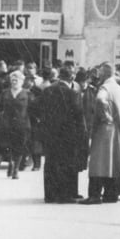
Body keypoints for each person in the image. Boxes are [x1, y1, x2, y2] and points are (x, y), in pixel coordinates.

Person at [81, 64, 120, 204]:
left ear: (103, 74)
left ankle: (95, 195)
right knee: (113, 162)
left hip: (104, 129)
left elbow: (100, 99)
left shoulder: (105, 88)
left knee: (98, 162)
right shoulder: (119, 89)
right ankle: (111, 194)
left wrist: (105, 116)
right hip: (118, 129)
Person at [39, 66, 87, 203]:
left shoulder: (47, 90)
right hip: (68, 134)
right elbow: (79, 114)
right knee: (67, 163)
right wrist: (81, 133)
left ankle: (50, 194)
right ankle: (66, 194)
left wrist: (43, 122)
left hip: (50, 133)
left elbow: (34, 107)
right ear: (71, 77)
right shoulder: (73, 93)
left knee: (51, 163)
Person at [0, 69, 31, 180]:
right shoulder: (5, 93)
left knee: (19, 146)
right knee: (8, 145)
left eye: (17, 79)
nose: (14, 81)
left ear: (22, 81)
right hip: (7, 124)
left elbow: (32, 109)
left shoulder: (27, 94)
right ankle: (11, 163)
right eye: (12, 80)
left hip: (22, 124)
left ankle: (16, 168)